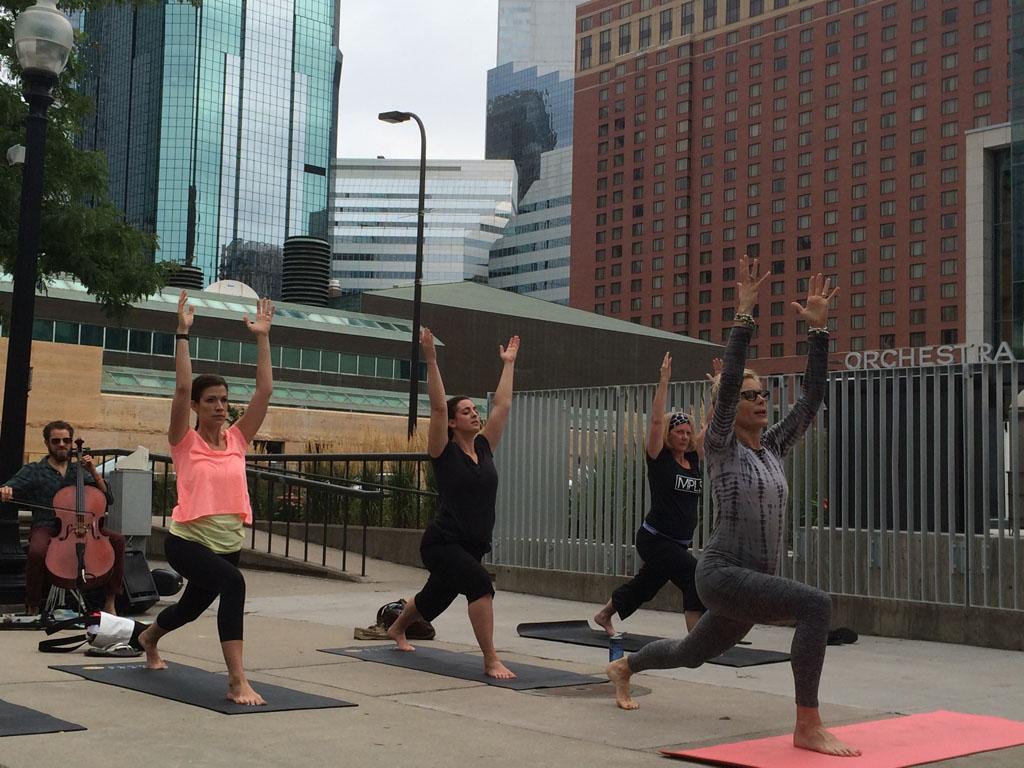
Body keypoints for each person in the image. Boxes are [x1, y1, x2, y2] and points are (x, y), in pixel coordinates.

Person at [607, 257, 860, 758]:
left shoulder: (774, 446)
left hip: (751, 579)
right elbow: (723, 396)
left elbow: (809, 401)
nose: (761, 401)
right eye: (750, 395)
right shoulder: (720, 445)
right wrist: (743, 316)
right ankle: (807, 724)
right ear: (734, 404)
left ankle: (625, 666)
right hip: (722, 573)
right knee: (816, 605)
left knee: (689, 653)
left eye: (763, 393)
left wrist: (819, 333)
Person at [137, 290, 274, 706]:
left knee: (191, 609)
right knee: (234, 584)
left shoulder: (237, 439)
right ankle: (236, 681)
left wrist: (262, 338)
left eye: (224, 400)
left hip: (227, 543)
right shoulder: (185, 441)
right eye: (211, 400)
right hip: (188, 542)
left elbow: (265, 392)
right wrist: (182, 333)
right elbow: (180, 389)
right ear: (197, 406)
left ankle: (149, 637)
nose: (220, 406)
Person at [387, 327, 520, 679]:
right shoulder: (442, 452)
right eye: (465, 411)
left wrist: (508, 363)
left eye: (475, 409)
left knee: (433, 598)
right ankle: (491, 658)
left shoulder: (484, 447)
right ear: (451, 422)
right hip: (442, 543)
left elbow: (503, 406)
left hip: (471, 545)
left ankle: (397, 628)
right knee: (479, 585)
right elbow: (434, 405)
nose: (475, 414)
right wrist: (431, 358)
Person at [593, 352, 708, 636]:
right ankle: (697, 639)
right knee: (695, 577)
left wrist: (720, 384)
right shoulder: (659, 458)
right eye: (678, 432)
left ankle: (605, 614)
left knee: (648, 584)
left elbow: (712, 427)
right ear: (669, 436)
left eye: (686, 432)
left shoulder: (693, 460)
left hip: (677, 542)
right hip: (656, 539)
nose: (683, 436)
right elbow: (656, 421)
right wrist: (664, 381)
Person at [0, 421, 125, 616]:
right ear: (47, 443)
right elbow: (9, 487)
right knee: (37, 551)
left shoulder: (79, 471)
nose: (61, 444)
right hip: (46, 525)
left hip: (81, 525)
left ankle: (111, 600)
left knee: (117, 540)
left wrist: (93, 470)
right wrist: (6, 490)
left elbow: (108, 498)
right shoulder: (34, 470)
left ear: (71, 444)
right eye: (56, 440)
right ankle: (32, 604)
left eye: (66, 440)